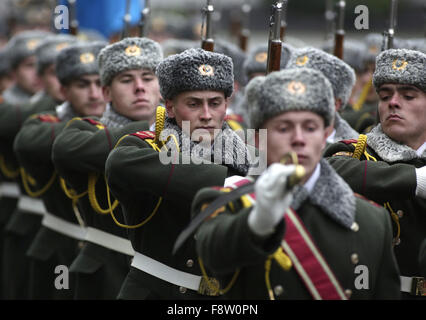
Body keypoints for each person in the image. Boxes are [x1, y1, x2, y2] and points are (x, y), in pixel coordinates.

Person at [190, 67, 401, 300]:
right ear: (259, 138)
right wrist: (258, 222)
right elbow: (214, 254)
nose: (299, 139)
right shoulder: (226, 202)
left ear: (326, 134)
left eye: (310, 128)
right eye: (284, 128)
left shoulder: (371, 218)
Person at [105, 48, 252, 299]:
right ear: (170, 108)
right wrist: (229, 183)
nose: (206, 115)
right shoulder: (145, 147)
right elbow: (119, 163)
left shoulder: (249, 156)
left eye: (215, 103)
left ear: (227, 105)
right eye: (193, 104)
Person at [52, 37, 163, 299]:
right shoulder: (88, 131)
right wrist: (156, 128)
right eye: (126, 80)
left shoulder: (182, 134)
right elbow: (65, 150)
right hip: (106, 274)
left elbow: (252, 160)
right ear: (106, 93)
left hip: (160, 281)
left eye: (148, 78)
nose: (139, 88)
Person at [324, 48, 426, 299]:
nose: (393, 102)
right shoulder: (359, 152)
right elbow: (327, 172)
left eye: (408, 96)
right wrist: (415, 180)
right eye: (384, 95)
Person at [10, 41, 107, 300]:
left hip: (105, 261)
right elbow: (28, 141)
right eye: (83, 85)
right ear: (63, 90)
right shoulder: (45, 123)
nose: (95, 94)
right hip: (60, 252)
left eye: (100, 84)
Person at [286, 47, 358, 145]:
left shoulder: (353, 147)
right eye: (292, 88)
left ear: (335, 104)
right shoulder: (269, 132)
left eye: (310, 92)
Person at [2, 30, 50, 106]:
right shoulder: (5, 105)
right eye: (30, 65)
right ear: (14, 72)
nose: (38, 72)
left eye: (44, 66)